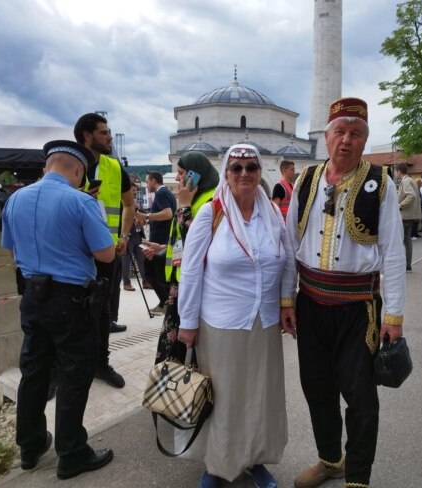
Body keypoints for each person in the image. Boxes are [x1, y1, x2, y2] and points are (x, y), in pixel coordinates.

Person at [281, 98, 406, 488]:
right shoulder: (306, 180)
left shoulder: (380, 183)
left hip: (358, 309)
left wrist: (394, 316)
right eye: (340, 132)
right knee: (316, 388)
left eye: (356, 133)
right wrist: (287, 299)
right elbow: (289, 245)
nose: (346, 140)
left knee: (361, 398)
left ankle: (358, 477)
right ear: (326, 137)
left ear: (365, 140)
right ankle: (330, 459)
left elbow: (394, 252)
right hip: (310, 304)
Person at [176, 143, 291, 488]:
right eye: (236, 168)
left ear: (260, 173)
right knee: (222, 398)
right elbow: (192, 271)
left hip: (264, 322)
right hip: (220, 323)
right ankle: (216, 464)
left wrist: (286, 303)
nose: (244, 174)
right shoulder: (211, 214)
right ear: (226, 174)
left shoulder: (272, 213)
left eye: (251, 168)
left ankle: (254, 459)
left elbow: (286, 260)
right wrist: (188, 322)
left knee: (259, 396)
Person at [2, 140, 115, 480]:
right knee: (73, 374)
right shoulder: (81, 201)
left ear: (46, 166)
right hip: (71, 300)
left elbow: (11, 249)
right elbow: (106, 255)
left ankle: (31, 446)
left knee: (34, 372)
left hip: (32, 296)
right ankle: (71, 452)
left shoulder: (14, 199)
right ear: (79, 172)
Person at [74, 113, 135, 388]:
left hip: (106, 252)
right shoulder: (69, 164)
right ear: (86, 135)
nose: (109, 136)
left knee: (102, 312)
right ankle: (61, 369)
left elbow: (129, 204)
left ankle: (101, 363)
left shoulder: (114, 166)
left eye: (109, 132)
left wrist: (123, 235)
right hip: (73, 253)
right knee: (70, 310)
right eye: (103, 132)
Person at [145, 152, 219, 364]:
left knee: (184, 352)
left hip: (196, 287)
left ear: (195, 176)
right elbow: (182, 240)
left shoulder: (211, 200)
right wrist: (161, 247)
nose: (177, 178)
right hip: (181, 284)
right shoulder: (194, 198)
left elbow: (197, 244)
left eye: (181, 173)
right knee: (172, 350)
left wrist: (184, 207)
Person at [138, 171, 176, 313]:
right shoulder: (168, 193)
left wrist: (146, 215)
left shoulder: (161, 193)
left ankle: (165, 302)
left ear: (154, 181)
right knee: (159, 273)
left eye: (147, 182)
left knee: (150, 273)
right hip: (164, 240)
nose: (147, 185)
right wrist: (148, 220)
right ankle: (165, 302)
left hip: (160, 241)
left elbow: (167, 214)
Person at [121, 184, 150, 291]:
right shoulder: (124, 204)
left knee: (141, 258)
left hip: (138, 235)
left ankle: (145, 281)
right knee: (126, 260)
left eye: (135, 190)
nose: (134, 192)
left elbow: (144, 216)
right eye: (133, 190)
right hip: (128, 236)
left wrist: (143, 221)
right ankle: (126, 283)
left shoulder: (137, 204)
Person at [396, 163, 421, 271]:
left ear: (398, 171)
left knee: (399, 241)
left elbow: (411, 195)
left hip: (404, 215)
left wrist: (400, 205)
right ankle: (408, 265)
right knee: (407, 240)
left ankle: (400, 265)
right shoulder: (412, 181)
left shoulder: (405, 181)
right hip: (411, 215)